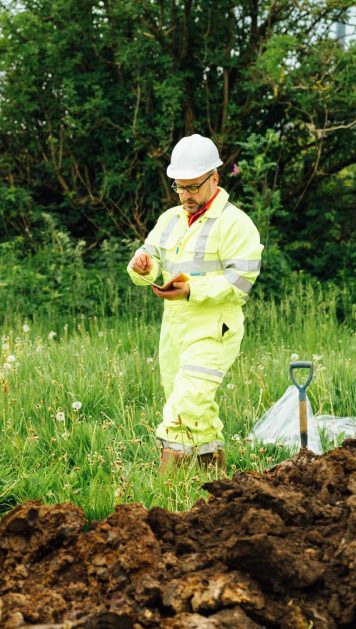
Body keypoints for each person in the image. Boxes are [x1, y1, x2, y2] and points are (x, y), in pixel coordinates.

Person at [127, 134, 263, 469]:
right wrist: (143, 267)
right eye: (179, 187)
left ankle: (163, 498)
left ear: (214, 179)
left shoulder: (236, 224)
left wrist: (191, 290)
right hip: (174, 331)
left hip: (215, 332)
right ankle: (213, 487)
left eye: (193, 187)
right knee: (198, 411)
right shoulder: (170, 220)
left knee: (181, 411)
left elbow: (240, 282)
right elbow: (149, 258)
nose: (186, 195)